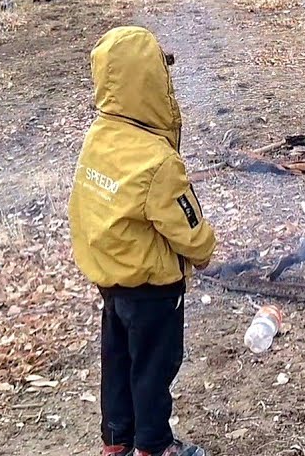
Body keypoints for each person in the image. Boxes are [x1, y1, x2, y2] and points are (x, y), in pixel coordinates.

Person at [68, 26, 217, 456]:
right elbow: (187, 226)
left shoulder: (99, 136)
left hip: (111, 280)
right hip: (153, 290)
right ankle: (154, 446)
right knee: (154, 368)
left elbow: (84, 203)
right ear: (151, 83)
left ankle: (116, 443)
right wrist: (205, 250)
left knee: (118, 364)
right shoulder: (157, 159)